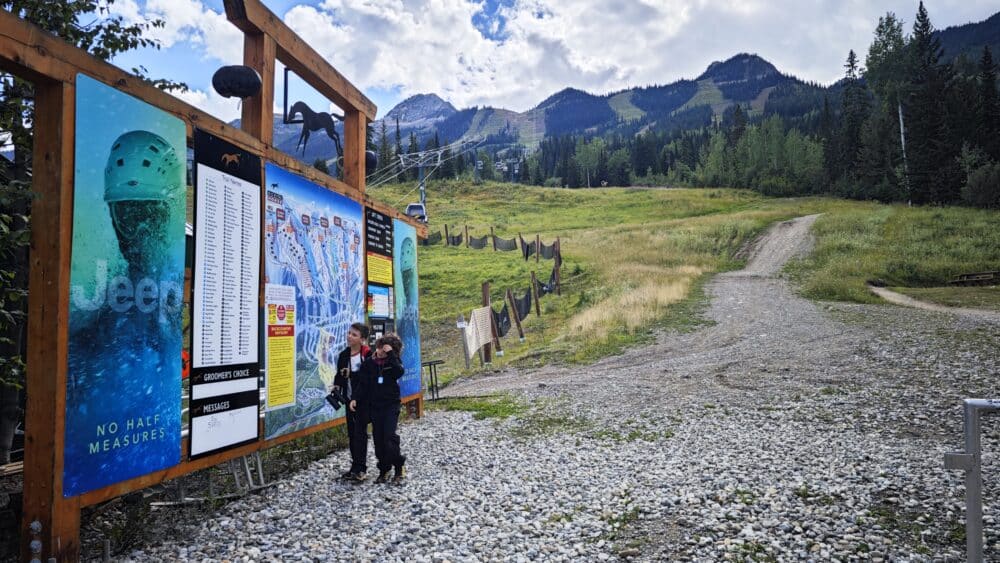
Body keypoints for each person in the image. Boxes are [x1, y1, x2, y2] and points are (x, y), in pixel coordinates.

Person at [350, 334, 406, 484]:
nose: (381, 351)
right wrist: (355, 398)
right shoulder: (369, 363)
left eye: (384, 349)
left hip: (391, 404)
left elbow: (399, 372)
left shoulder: (393, 362)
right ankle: (384, 468)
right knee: (378, 439)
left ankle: (399, 467)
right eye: (380, 347)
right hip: (375, 405)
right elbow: (362, 383)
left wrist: (391, 355)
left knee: (389, 436)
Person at [334, 322, 371, 482]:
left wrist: (352, 374)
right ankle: (354, 466)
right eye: (349, 333)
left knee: (360, 433)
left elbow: (368, 377)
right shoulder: (343, 355)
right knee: (352, 433)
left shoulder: (367, 355)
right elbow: (340, 374)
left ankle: (361, 468)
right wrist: (336, 385)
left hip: (364, 400)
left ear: (362, 339)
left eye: (354, 335)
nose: (349, 336)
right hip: (349, 399)